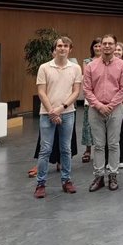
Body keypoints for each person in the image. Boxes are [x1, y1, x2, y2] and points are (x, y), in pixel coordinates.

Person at [33, 36, 81, 198]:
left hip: (67, 113)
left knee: (66, 149)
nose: (62, 48)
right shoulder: (44, 67)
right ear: (54, 49)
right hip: (47, 114)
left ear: (70, 49)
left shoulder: (75, 68)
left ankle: (66, 180)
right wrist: (52, 111)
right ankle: (40, 183)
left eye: (65, 46)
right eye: (59, 45)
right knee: (45, 149)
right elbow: (41, 91)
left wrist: (61, 108)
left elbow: (76, 91)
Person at [83, 34, 123, 192]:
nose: (107, 46)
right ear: (100, 46)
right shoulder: (91, 66)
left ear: (115, 45)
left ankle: (113, 175)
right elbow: (87, 89)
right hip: (95, 109)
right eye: (104, 43)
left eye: (111, 43)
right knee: (98, 145)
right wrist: (98, 105)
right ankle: (98, 177)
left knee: (113, 144)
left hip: (115, 108)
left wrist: (110, 105)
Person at [81, 37, 101, 163]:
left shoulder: (107, 60)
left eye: (100, 46)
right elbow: (87, 80)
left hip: (105, 97)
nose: (98, 48)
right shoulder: (87, 61)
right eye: (96, 46)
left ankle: (101, 150)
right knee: (88, 124)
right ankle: (88, 149)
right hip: (91, 97)